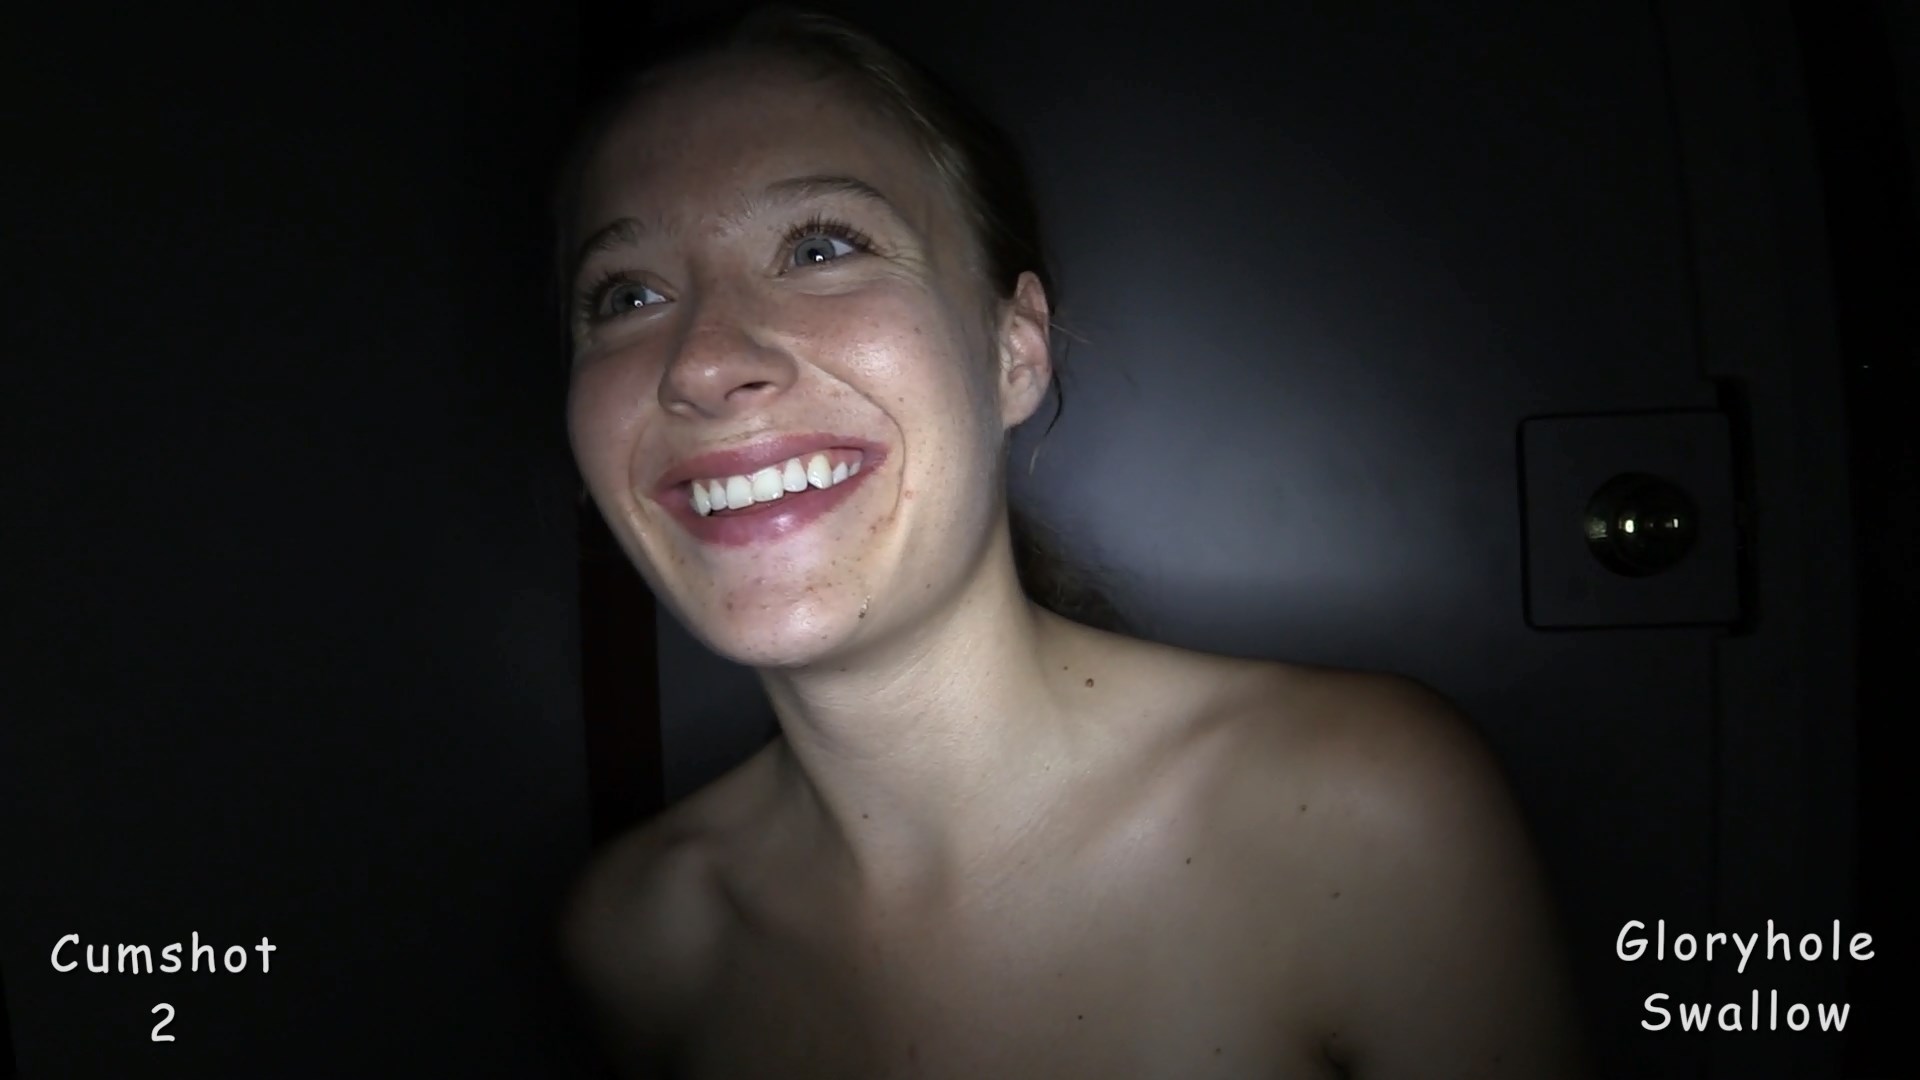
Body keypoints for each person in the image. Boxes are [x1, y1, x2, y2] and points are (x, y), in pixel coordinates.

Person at [555, 6, 1592, 1077]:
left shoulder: (1362, 819)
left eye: (821, 246)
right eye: (627, 295)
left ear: (1014, 354)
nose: (702, 363)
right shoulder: (637, 941)